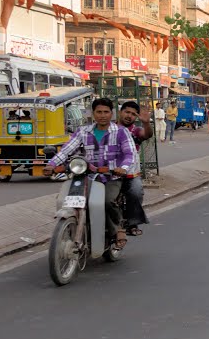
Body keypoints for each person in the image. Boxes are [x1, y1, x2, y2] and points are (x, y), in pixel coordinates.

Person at [43, 97, 139, 251]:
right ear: (93, 113)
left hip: (111, 177)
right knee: (68, 200)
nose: (102, 115)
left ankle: (117, 229)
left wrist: (123, 167)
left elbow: (130, 154)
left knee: (107, 201)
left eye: (106, 112)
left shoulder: (121, 132)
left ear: (112, 114)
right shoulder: (83, 131)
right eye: (99, 112)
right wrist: (52, 164)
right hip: (86, 176)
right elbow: (67, 149)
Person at [117, 100, 152, 237]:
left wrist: (146, 123)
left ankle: (132, 223)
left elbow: (147, 135)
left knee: (136, 192)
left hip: (130, 172)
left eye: (133, 114)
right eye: (127, 112)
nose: (129, 116)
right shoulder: (109, 128)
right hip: (107, 171)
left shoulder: (136, 131)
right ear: (120, 112)